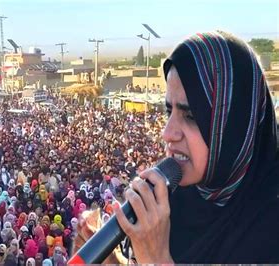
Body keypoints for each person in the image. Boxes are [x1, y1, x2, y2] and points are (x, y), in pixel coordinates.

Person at [74, 31, 279, 263]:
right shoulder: (174, 203)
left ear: (236, 124)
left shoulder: (270, 227)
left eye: (191, 115)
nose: (167, 133)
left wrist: (156, 258)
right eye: (169, 111)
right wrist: (112, 260)